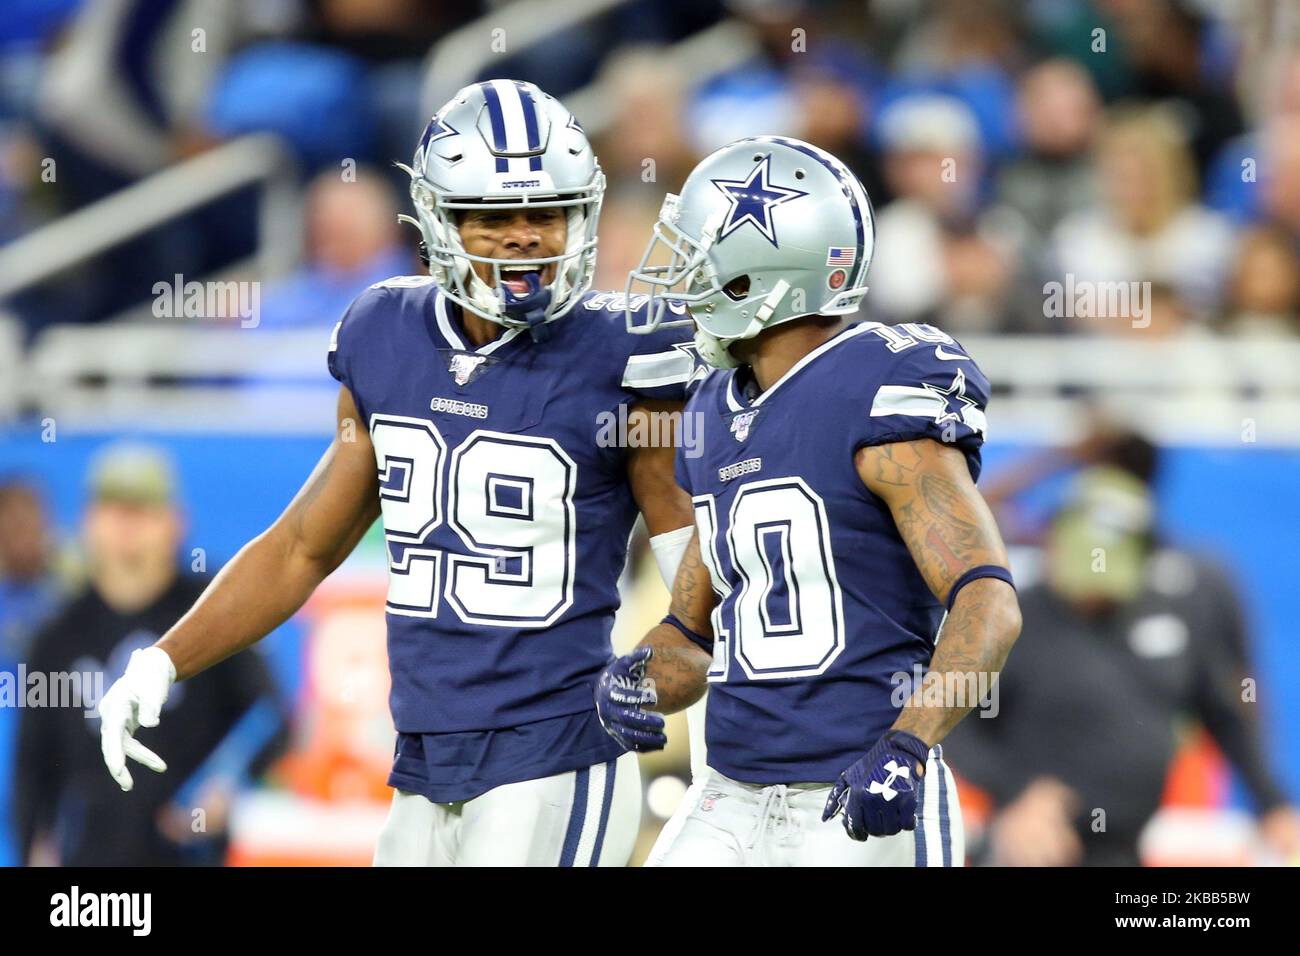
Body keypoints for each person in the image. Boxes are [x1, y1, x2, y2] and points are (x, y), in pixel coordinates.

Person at [96, 81, 699, 867]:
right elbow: (303, 546)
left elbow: (700, 575)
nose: (526, 237)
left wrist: (661, 666)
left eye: (546, 211)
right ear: (440, 220)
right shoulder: (386, 332)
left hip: (558, 758)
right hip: (423, 764)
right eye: (495, 215)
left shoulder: (623, 356)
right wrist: (163, 657)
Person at [600, 135, 1022, 866]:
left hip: (852, 788)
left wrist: (907, 748)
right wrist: (632, 678)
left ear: (763, 270)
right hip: (727, 793)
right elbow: (691, 637)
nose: (681, 277)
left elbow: (988, 600)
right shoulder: (709, 409)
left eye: (699, 254)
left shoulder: (873, 387)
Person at [947, 462, 1300, 866]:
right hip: (1033, 847)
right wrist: (1017, 795)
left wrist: (1272, 805)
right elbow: (954, 722)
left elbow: (1226, 715)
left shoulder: (1172, 620)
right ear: (1055, 541)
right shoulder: (1012, 620)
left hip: (1124, 847)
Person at [15, 444, 286, 865]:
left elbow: (271, 718)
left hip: (190, 853)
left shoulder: (212, 614)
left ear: (176, 522)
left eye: (142, 510)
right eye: (114, 509)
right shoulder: (56, 635)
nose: (127, 526)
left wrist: (226, 785)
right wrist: (34, 842)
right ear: (87, 521)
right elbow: (33, 768)